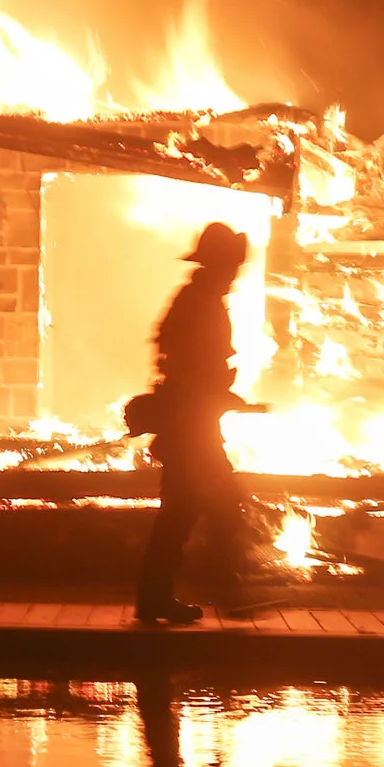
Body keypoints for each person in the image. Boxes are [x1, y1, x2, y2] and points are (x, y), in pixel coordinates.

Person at [133, 221, 251, 624]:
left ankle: (175, 595)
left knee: (202, 508)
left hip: (194, 424)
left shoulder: (198, 300)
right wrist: (213, 394)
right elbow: (191, 367)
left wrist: (219, 394)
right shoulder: (198, 303)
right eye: (230, 267)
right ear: (217, 264)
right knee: (198, 509)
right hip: (191, 429)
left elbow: (186, 361)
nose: (234, 276)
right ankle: (216, 592)